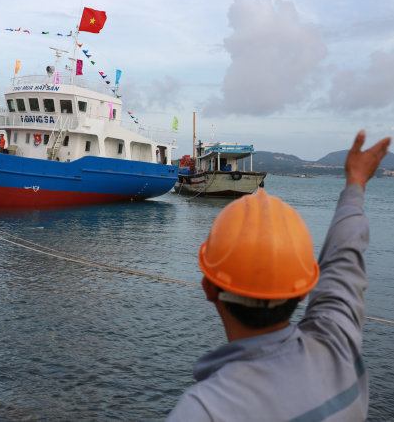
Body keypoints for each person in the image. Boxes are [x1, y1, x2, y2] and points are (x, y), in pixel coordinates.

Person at [167, 130, 391, 421]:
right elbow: (344, 258)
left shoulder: (205, 410)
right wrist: (356, 183)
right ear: (303, 290)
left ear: (208, 287)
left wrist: (355, 183)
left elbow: (343, 262)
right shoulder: (338, 344)